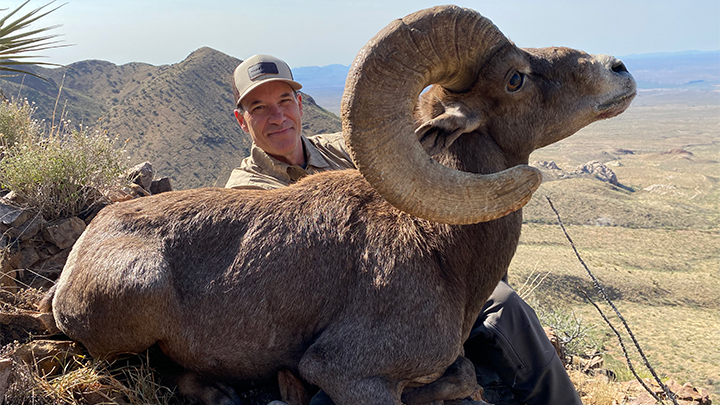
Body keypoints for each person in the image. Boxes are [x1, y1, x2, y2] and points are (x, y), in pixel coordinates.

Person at [225, 54, 582, 405]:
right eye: (259, 108)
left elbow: (412, 144)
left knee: (503, 304)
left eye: (285, 100)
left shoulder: (342, 148)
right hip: (345, 317)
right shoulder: (247, 194)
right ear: (243, 121)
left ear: (300, 105)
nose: (278, 116)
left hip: (412, 281)